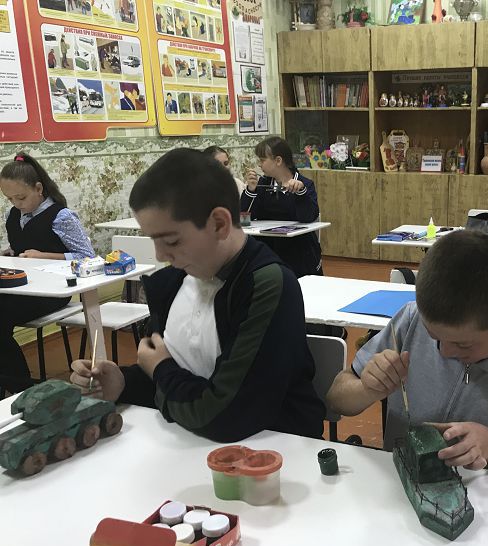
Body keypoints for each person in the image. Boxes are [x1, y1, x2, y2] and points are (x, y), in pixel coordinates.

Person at [69, 148, 325, 442]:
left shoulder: (267, 284)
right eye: (154, 240)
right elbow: (175, 374)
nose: (160, 255)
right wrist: (125, 383)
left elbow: (223, 415)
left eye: (171, 241)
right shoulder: (175, 280)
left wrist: (160, 369)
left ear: (219, 224)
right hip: (193, 444)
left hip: (274, 448)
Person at [326, 230, 488, 481]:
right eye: (434, 336)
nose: (444, 352)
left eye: (463, 344)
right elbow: (336, 399)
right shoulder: (411, 320)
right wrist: (366, 389)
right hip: (400, 488)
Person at [0, 153, 94, 393]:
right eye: (9, 199)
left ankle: (20, 388)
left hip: (52, 292)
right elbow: (23, 245)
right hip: (22, 287)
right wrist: (10, 253)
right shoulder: (14, 215)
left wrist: (44, 255)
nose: (16, 204)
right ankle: (12, 383)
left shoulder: (61, 216)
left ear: (39, 188)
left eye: (21, 197)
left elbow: (87, 256)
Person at [241, 136, 322, 278]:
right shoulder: (263, 184)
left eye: (262, 160)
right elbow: (244, 219)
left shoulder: (304, 184)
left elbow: (308, 217)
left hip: (299, 251)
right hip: (268, 249)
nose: (259, 164)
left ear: (278, 160)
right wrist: (250, 190)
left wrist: (300, 192)